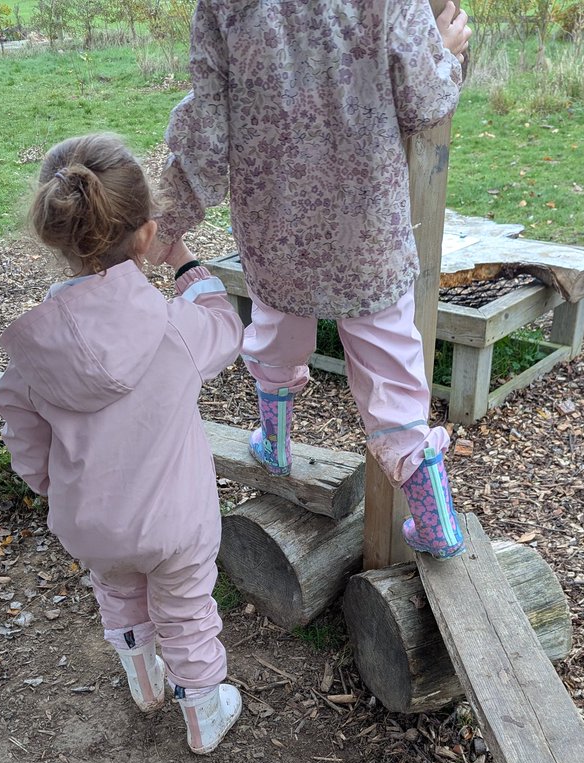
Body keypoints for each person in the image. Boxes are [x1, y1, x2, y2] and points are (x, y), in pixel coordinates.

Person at [151, 1, 472, 559]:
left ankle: (275, 445)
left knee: (276, 331)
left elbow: (207, 130)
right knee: (391, 367)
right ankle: (436, 520)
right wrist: (442, 55)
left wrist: (165, 223)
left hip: (278, 224)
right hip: (367, 228)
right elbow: (423, 100)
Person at [0, 133, 245, 754]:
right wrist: (185, 262)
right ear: (146, 233)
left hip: (90, 522)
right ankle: (203, 714)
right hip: (175, 523)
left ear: (53, 236)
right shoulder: (176, 329)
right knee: (186, 611)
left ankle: (144, 682)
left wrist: (60, 490)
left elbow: (25, 443)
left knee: (120, 594)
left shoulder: (33, 354)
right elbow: (226, 327)